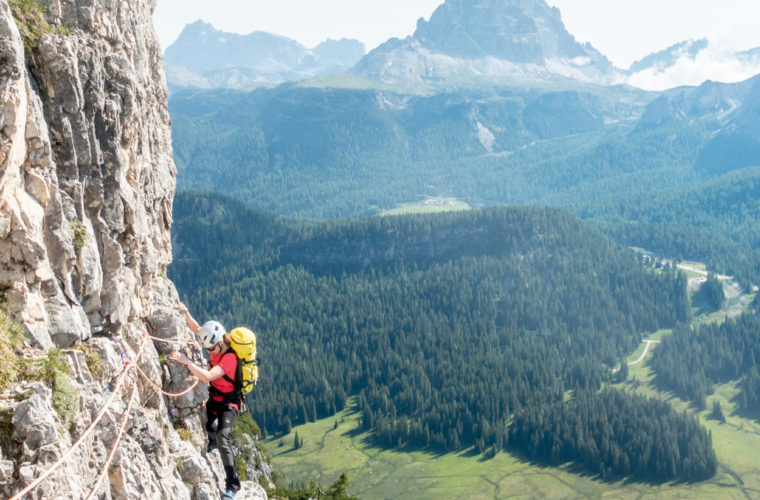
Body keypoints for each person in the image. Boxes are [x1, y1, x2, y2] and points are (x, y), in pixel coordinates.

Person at [169, 303, 242, 499]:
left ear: (220, 343)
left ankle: (233, 485)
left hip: (228, 403)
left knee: (223, 438)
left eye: (210, 348)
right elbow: (197, 330)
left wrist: (187, 362)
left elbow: (208, 376)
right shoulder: (215, 343)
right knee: (210, 426)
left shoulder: (230, 359)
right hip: (214, 398)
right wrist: (186, 313)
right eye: (207, 348)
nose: (208, 352)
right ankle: (212, 444)